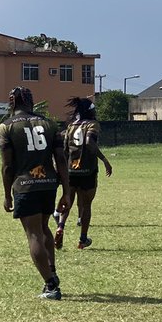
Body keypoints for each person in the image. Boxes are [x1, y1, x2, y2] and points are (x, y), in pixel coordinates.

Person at [0, 87, 71, 300]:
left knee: (33, 234)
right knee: (43, 228)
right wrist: (66, 192)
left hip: (25, 185)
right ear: (31, 102)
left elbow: (7, 166)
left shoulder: (5, 127)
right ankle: (52, 272)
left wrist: (7, 194)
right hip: (49, 184)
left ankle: (50, 285)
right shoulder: (49, 124)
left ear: (12, 103)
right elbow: (61, 160)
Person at [54, 97, 112, 250]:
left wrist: (61, 171)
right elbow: (89, 142)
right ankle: (82, 240)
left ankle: (60, 226)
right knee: (86, 205)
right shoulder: (93, 125)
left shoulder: (71, 126)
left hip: (71, 171)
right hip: (88, 171)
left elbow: (65, 150)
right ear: (90, 110)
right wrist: (104, 159)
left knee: (68, 201)